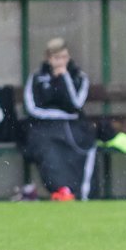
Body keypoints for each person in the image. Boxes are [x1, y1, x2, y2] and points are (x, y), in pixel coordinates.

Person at [23, 38, 97, 200]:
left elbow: (76, 103)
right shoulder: (37, 77)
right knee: (48, 150)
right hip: (44, 128)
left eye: (64, 57)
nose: (60, 61)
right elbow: (32, 107)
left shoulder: (78, 76)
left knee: (81, 146)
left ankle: (79, 193)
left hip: (72, 126)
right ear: (48, 59)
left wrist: (64, 78)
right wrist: (57, 114)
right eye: (56, 58)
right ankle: (62, 190)